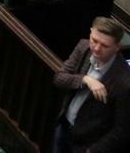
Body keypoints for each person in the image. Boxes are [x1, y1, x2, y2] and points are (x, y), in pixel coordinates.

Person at [53, 16, 130, 153]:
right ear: (90, 32)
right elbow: (59, 78)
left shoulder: (124, 81)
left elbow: (122, 129)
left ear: (117, 47)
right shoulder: (83, 47)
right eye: (94, 40)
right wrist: (85, 79)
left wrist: (93, 150)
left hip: (87, 143)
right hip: (64, 125)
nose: (96, 48)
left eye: (105, 45)